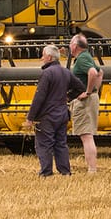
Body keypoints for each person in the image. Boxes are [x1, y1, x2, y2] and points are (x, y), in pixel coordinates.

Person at [25, 44, 83, 177]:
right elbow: (80, 87)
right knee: (61, 144)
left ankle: (46, 173)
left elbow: (39, 97)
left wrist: (30, 118)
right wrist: (68, 97)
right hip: (62, 114)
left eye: (43, 56)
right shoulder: (66, 72)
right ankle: (65, 171)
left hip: (47, 116)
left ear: (49, 57)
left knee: (44, 145)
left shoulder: (47, 73)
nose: (42, 58)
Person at [68, 34, 103, 173]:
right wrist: (95, 91)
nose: (70, 46)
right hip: (91, 99)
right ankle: (91, 168)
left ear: (75, 46)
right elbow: (101, 73)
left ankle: (92, 169)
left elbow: (93, 73)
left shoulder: (82, 58)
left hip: (85, 102)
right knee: (87, 135)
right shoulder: (86, 56)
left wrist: (88, 92)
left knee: (86, 136)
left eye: (70, 44)